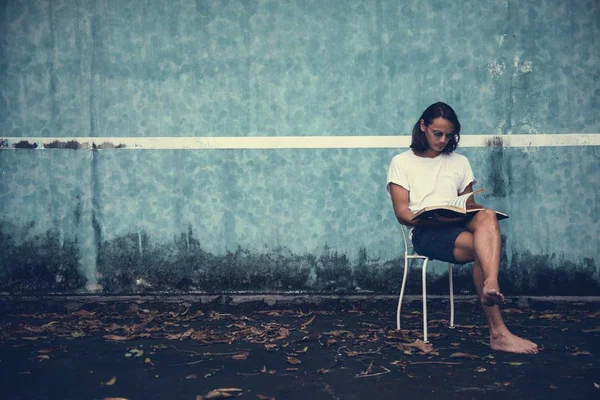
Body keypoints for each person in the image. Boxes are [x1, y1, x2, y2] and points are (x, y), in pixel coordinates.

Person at [386, 102, 538, 354]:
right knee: (484, 250)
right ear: (423, 127)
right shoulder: (402, 162)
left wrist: (463, 209)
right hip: (426, 231)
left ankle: (491, 284)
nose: (443, 140)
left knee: (487, 214)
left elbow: (465, 204)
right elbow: (403, 214)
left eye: (449, 135)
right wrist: (436, 217)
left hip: (455, 224)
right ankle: (498, 331)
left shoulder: (459, 161)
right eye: (438, 133)